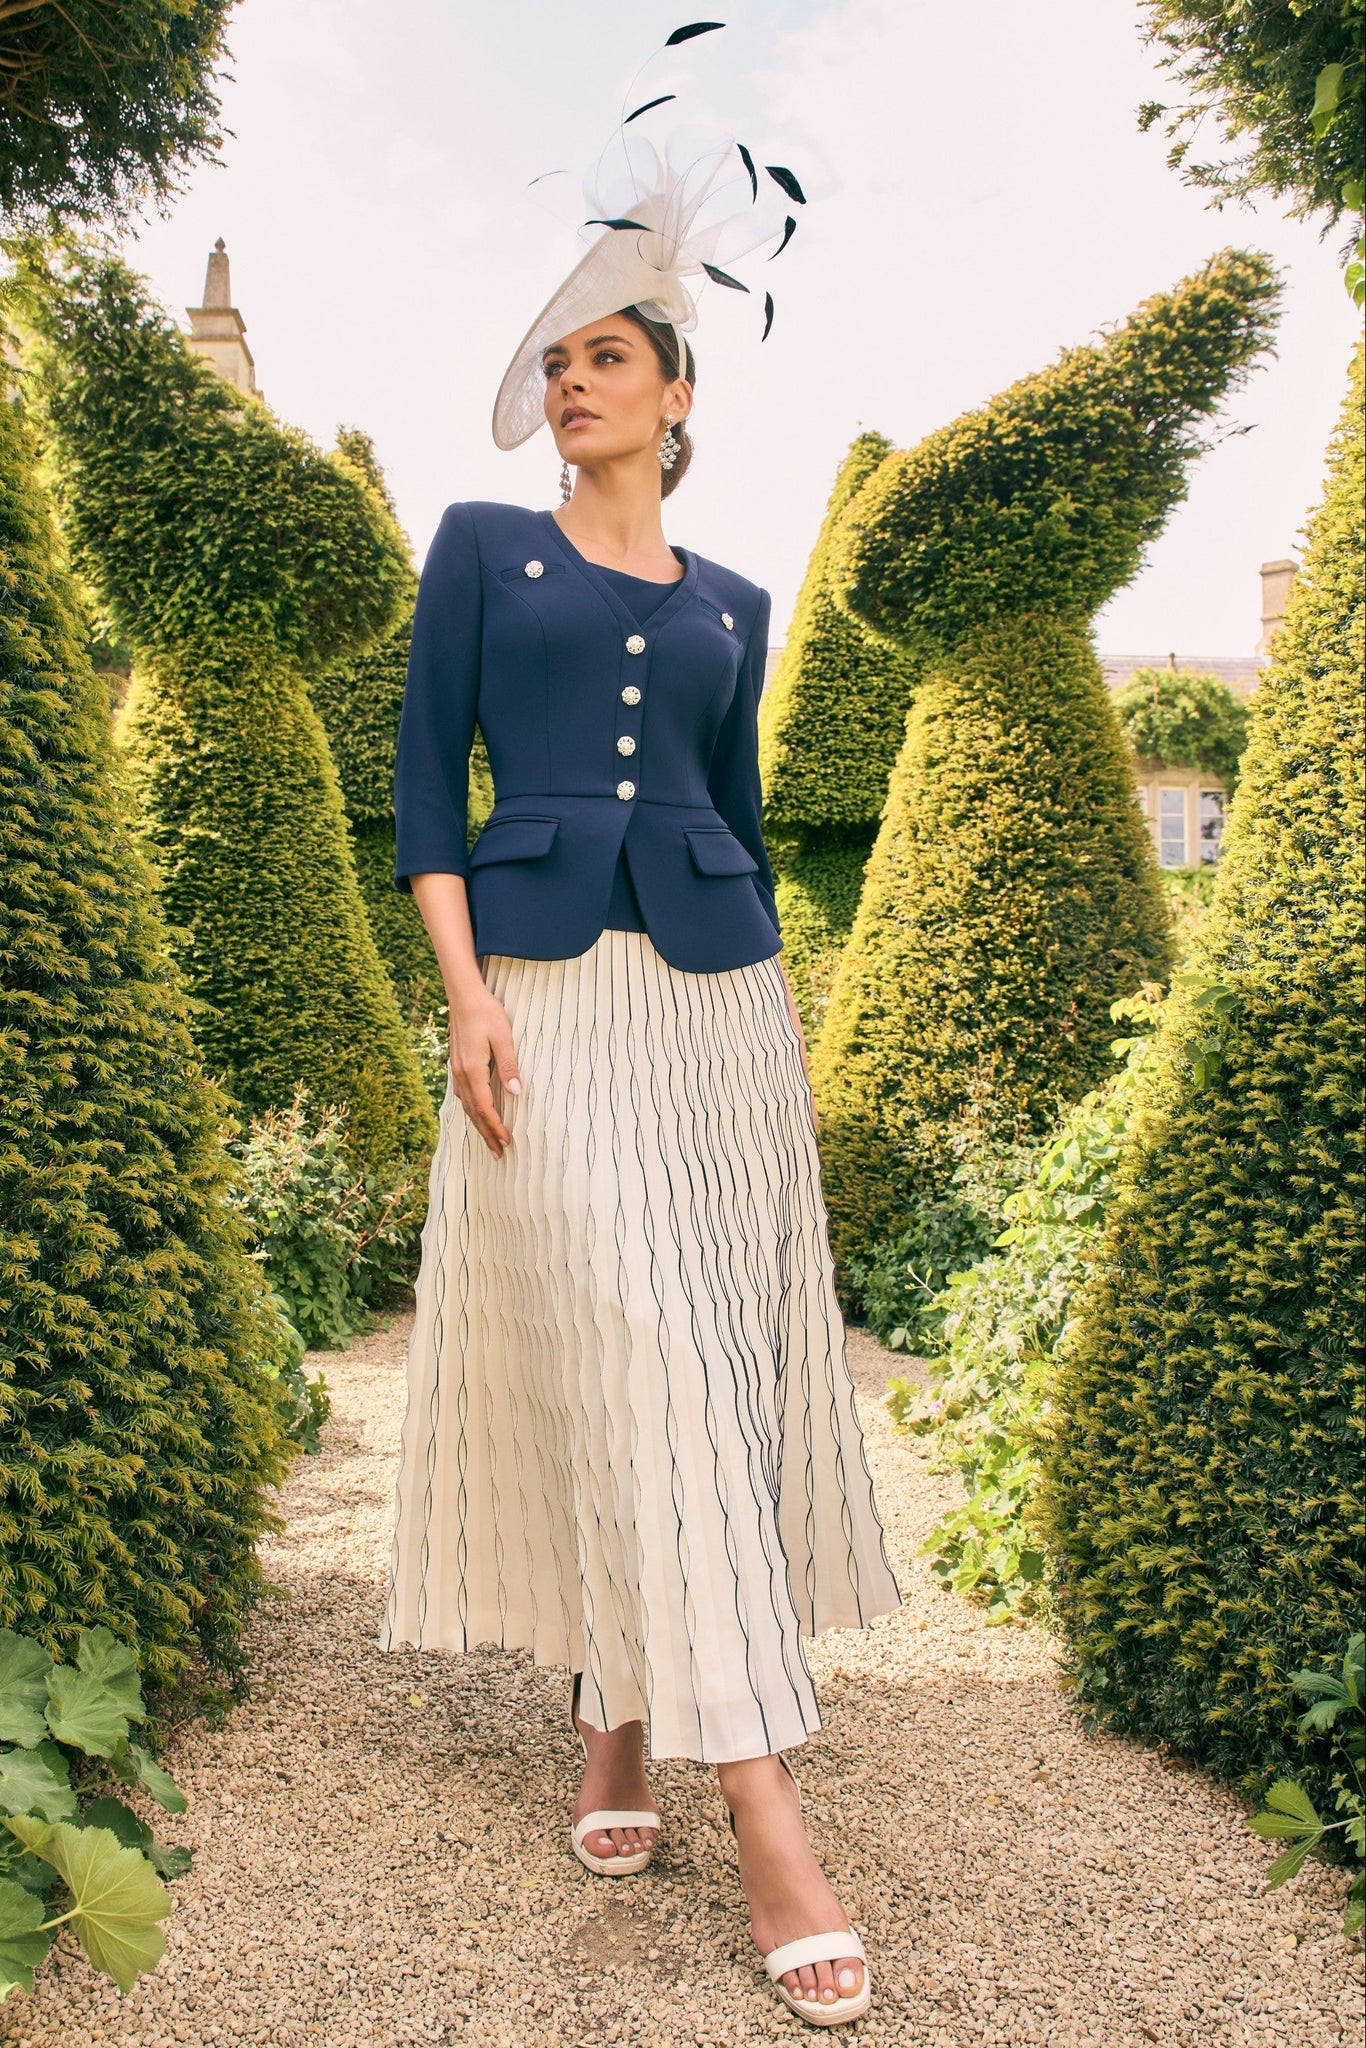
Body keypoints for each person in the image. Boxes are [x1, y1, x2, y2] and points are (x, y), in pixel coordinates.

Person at [379, 51, 902, 2029]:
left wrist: (785, 1038)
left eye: (614, 357)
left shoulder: (740, 602)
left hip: (720, 1013)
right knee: (638, 1347)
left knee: (703, 1358)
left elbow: (740, 824)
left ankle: (618, 1717)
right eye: (563, 358)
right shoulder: (477, 553)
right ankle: (770, 1818)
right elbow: (429, 789)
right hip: (545, 1006)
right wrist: (465, 998)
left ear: (677, 395)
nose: (578, 382)